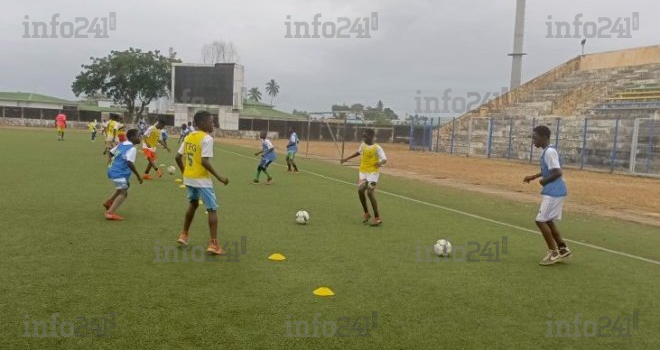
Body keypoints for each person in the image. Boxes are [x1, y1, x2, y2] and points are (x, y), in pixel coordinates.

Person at [175, 111, 229, 255]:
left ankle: (184, 235)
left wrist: (184, 172)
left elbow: (177, 157)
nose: (213, 124)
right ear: (202, 123)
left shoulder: (188, 137)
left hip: (189, 178)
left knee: (193, 204)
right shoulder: (207, 139)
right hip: (202, 180)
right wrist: (219, 177)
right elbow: (205, 161)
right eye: (211, 122)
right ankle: (213, 244)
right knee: (211, 209)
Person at [524, 125, 572, 266]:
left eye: (535, 137)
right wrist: (533, 176)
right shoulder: (546, 151)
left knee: (540, 220)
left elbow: (557, 172)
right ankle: (562, 248)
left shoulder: (550, 151)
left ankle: (554, 251)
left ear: (544, 137)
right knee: (548, 220)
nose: (533, 140)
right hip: (554, 191)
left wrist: (543, 181)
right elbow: (548, 170)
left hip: (554, 192)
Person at [340, 129, 387, 226]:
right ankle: (366, 213)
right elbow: (358, 152)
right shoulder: (363, 145)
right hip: (363, 172)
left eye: (365, 136)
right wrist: (346, 159)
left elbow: (384, 159)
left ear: (371, 136)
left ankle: (377, 218)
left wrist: (380, 163)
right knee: (360, 190)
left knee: (370, 192)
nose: (363, 138)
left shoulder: (377, 148)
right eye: (363, 136)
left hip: (373, 173)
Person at [103, 129, 143, 221]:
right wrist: (138, 176)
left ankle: (109, 202)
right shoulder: (132, 149)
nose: (140, 137)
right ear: (132, 137)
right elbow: (130, 163)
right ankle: (109, 213)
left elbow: (111, 153)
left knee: (125, 186)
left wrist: (110, 165)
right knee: (124, 193)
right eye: (138, 136)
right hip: (119, 173)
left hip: (113, 170)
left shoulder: (121, 144)